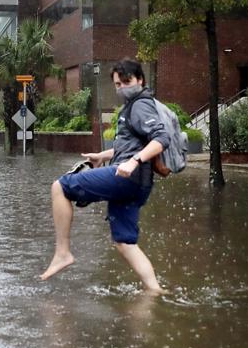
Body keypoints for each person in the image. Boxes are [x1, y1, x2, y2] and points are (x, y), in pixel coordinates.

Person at [39, 58, 170, 293]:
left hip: (127, 177)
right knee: (125, 242)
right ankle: (155, 292)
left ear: (140, 80)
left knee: (60, 186)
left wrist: (133, 162)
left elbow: (161, 139)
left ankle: (63, 253)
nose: (122, 88)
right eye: (118, 84)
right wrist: (103, 155)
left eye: (127, 82)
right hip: (137, 184)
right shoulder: (134, 106)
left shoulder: (141, 105)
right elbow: (132, 146)